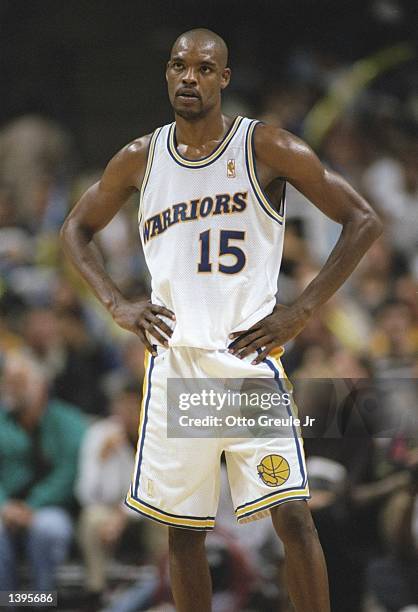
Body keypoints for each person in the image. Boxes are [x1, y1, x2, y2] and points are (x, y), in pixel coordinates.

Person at [60, 28, 382, 612]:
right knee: (184, 533)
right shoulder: (140, 158)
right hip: (177, 366)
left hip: (246, 365)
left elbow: (362, 219)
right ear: (166, 73)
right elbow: (75, 230)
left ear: (224, 79)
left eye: (205, 68)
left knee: (293, 518)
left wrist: (302, 308)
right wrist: (116, 303)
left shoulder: (265, 147)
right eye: (180, 66)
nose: (190, 77)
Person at [0, 352, 87, 592]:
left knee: (47, 529)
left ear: (39, 385)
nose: (10, 388)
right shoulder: (2, 421)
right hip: (5, 509)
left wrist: (32, 506)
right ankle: (7, 606)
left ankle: (42, 602)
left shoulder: (69, 421)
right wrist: (5, 506)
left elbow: (69, 473)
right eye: (7, 381)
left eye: (17, 382)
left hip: (51, 509)